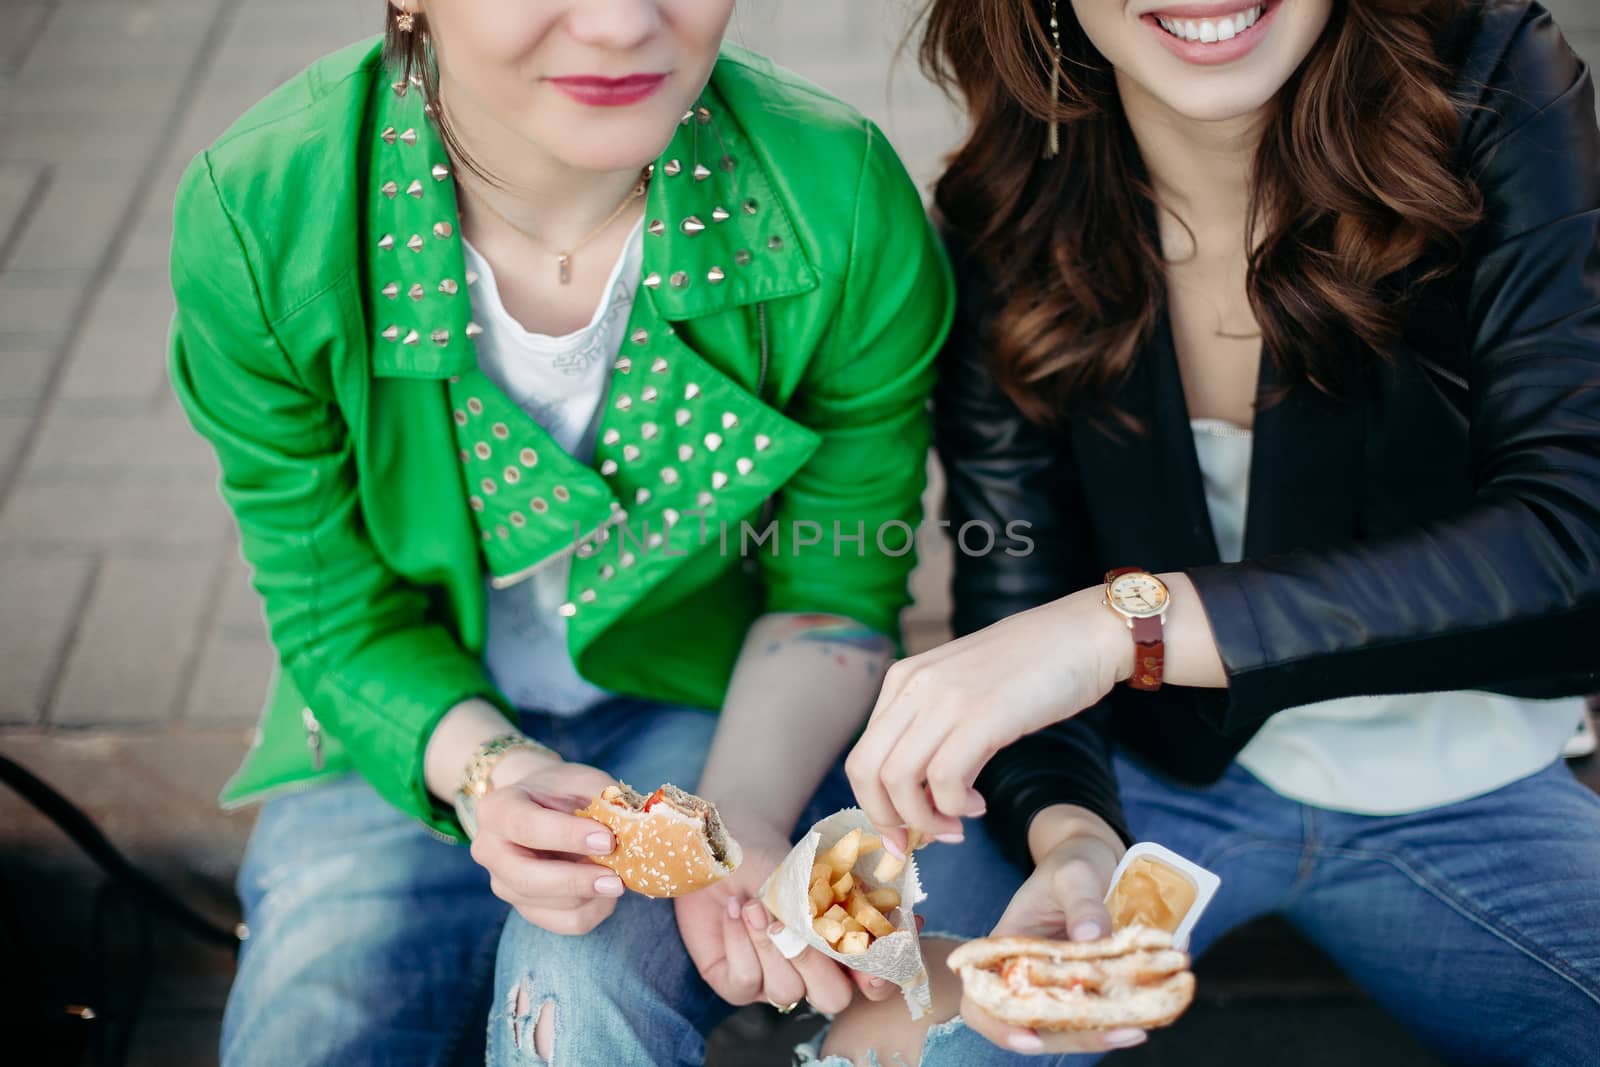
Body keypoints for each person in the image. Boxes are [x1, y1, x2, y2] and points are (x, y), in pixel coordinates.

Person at [162, 2, 1043, 1064]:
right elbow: (331, 606)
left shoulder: (837, 199)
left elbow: (835, 587)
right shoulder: (264, 214)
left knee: (578, 1004)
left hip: (714, 701)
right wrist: (487, 768)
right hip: (398, 715)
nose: (624, 22)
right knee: (311, 1028)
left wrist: (741, 820)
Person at [838, 0, 1600, 1062]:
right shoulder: (1012, 199)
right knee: (914, 1038)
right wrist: (1071, 837)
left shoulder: (1490, 76)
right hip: (1152, 777)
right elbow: (1016, 589)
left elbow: (1571, 535)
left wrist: (1121, 625)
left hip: (1466, 779)